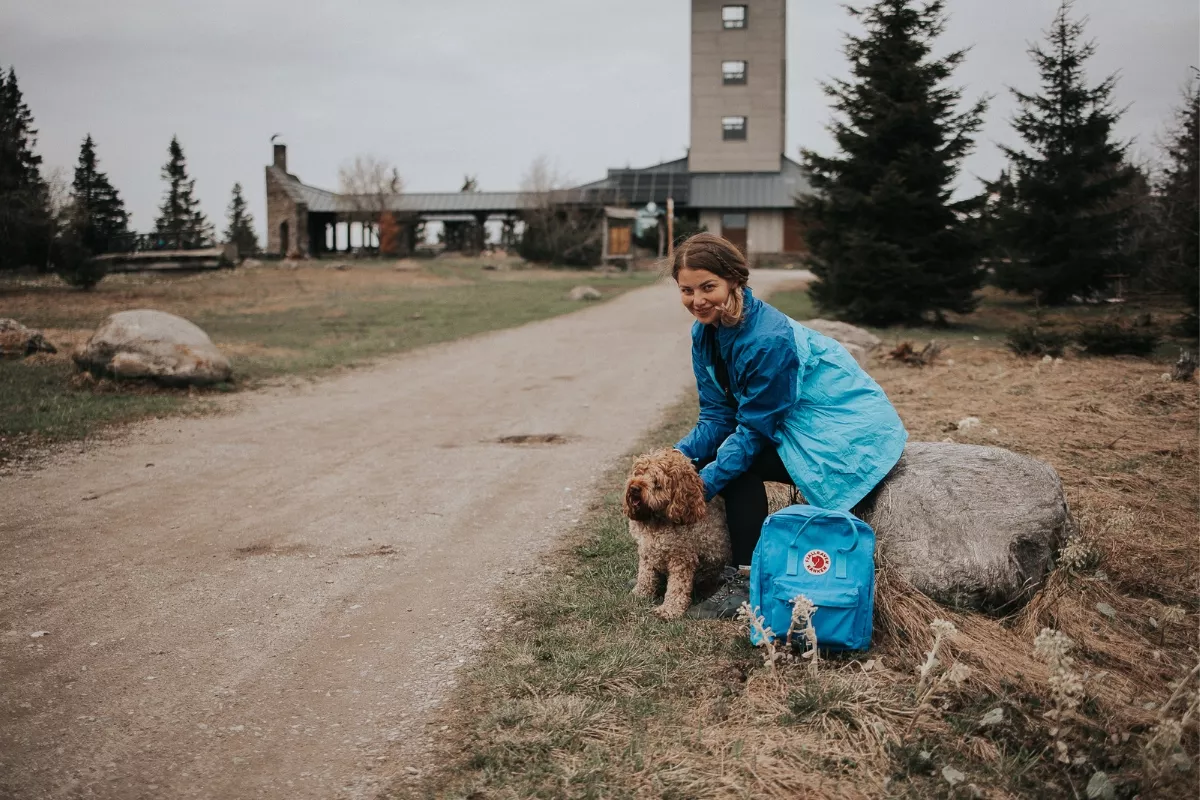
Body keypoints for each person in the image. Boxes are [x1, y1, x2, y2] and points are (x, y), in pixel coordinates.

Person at [670, 233, 907, 618]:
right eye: (686, 290)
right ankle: (722, 561)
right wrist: (673, 461)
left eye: (707, 287)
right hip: (790, 424)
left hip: (843, 433)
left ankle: (745, 582)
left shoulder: (767, 339)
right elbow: (716, 415)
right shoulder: (705, 333)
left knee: (735, 467)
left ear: (734, 280)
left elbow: (752, 431)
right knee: (705, 461)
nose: (697, 300)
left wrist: (700, 487)